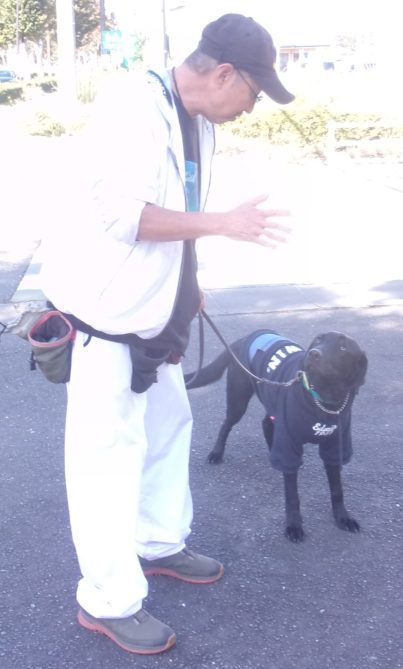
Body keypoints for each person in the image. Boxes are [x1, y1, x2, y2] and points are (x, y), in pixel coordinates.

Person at [40, 13, 294, 655]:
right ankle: (107, 600)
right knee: (105, 460)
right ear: (224, 74)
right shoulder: (131, 110)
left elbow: (180, 206)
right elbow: (124, 217)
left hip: (158, 310)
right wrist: (224, 224)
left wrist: (189, 282)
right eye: (254, 92)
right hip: (104, 318)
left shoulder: (198, 119)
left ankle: (157, 542)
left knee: (168, 427)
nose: (252, 107)